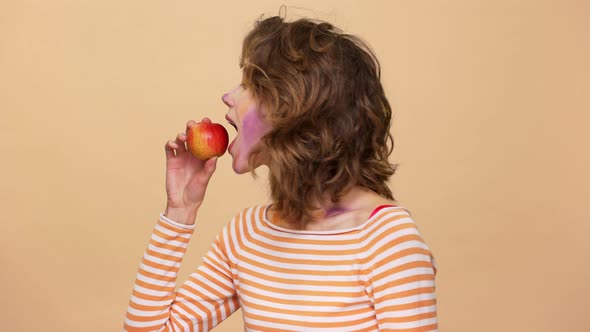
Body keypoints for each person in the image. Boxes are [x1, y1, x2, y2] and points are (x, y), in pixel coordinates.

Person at [124, 15, 438, 332]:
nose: (228, 96)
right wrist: (180, 211)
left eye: (249, 85)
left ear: (293, 106)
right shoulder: (245, 234)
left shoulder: (387, 240)